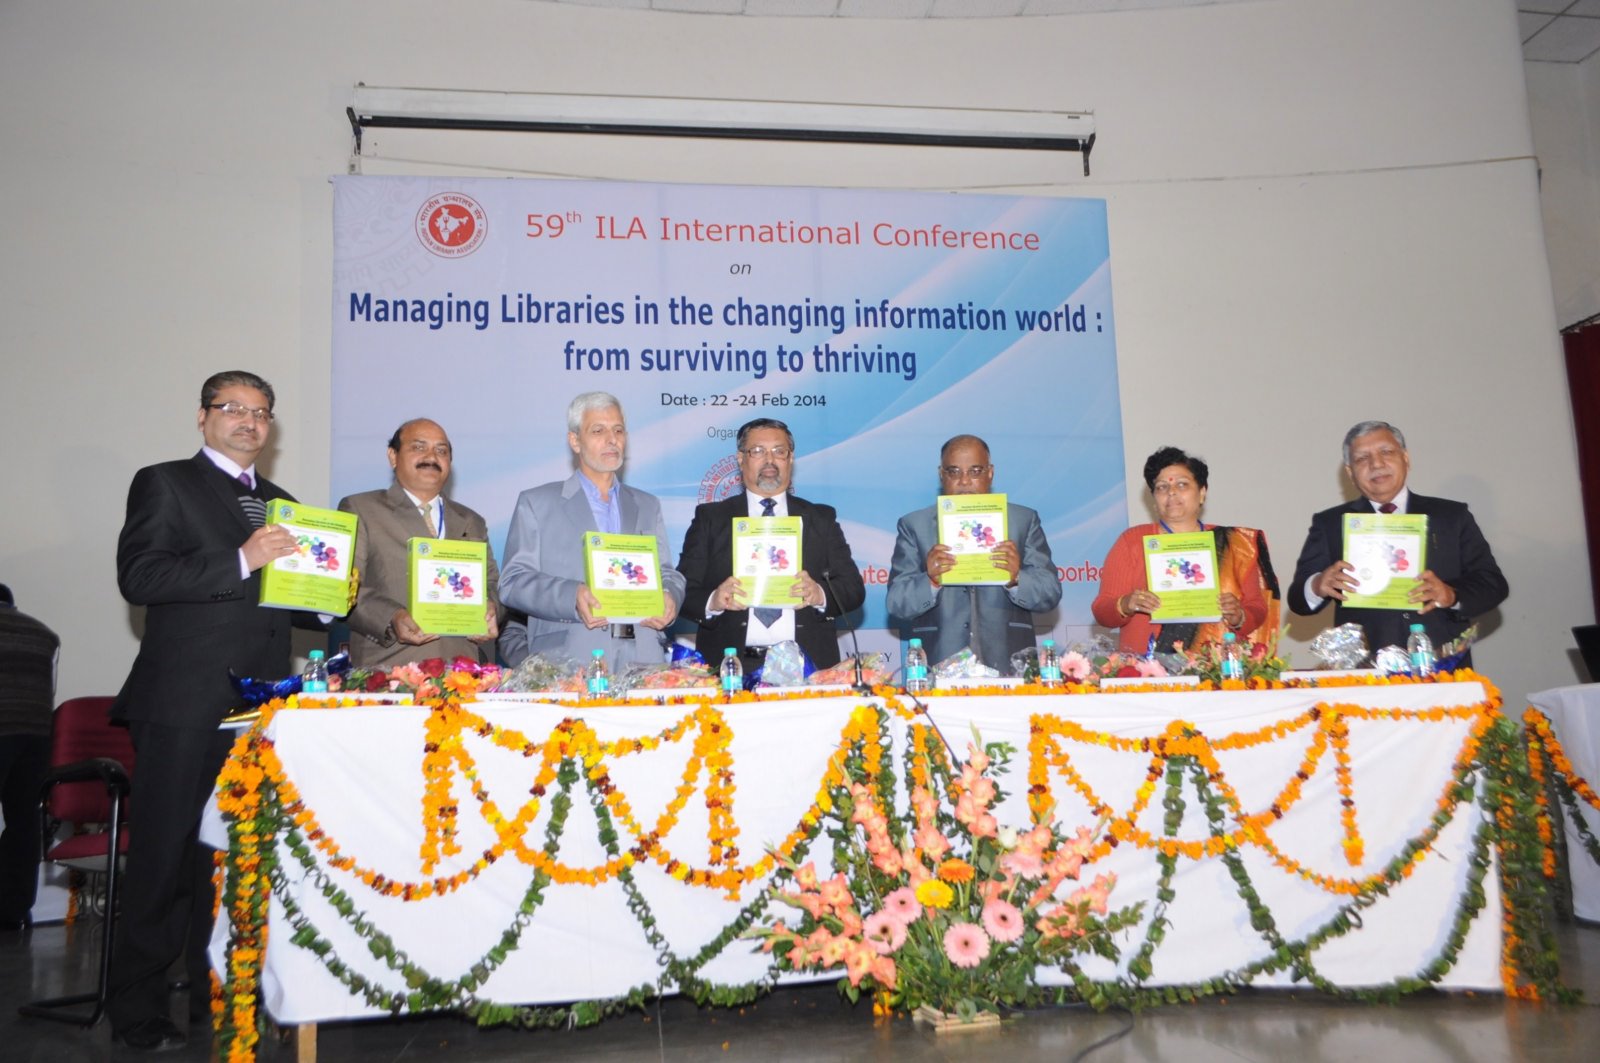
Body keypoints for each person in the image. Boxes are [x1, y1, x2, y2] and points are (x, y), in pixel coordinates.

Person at [107, 371, 306, 1052]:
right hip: (182, 703)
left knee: (225, 865)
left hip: (254, 712)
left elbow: (293, 602)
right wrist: (241, 559)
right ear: (203, 417)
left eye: (262, 412)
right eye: (234, 409)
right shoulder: (165, 483)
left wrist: (334, 590)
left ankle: (215, 1002)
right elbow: (141, 576)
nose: (250, 421)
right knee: (162, 862)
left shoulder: (283, 504)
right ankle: (137, 1013)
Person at [1288, 420, 1508, 663]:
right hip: (1365, 669)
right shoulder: (1330, 523)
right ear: (1350, 473)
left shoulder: (1452, 516)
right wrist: (1317, 585)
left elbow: (1493, 585)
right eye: (1362, 458)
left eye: (1386, 452)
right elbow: (1297, 600)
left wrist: (1451, 595)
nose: (1376, 464)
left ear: (1406, 458)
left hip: (1443, 665)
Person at [499, 393, 684, 669]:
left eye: (618, 430)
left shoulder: (647, 505)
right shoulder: (537, 503)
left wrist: (670, 595)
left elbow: (667, 573)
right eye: (598, 431)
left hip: (644, 658)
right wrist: (571, 596)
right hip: (570, 660)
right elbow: (512, 582)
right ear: (575, 441)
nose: (612, 439)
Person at [678, 418, 866, 672]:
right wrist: (714, 600)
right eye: (758, 451)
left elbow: (853, 589)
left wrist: (818, 593)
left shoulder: (820, 518)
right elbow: (683, 591)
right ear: (741, 459)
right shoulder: (711, 518)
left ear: (790, 459)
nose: (770, 460)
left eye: (779, 451)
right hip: (731, 667)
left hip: (808, 667)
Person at [886, 435, 1061, 674]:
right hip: (940, 664)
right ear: (941, 475)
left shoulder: (1022, 521)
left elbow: (1050, 593)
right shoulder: (915, 525)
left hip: (1009, 663)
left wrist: (1017, 578)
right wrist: (930, 580)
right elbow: (896, 603)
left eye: (975, 471)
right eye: (954, 472)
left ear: (990, 473)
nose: (965, 481)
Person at [338, 418, 501, 669]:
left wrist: (492, 609)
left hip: (463, 671)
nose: (431, 457)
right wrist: (392, 617)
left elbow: (493, 585)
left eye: (441, 451)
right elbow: (344, 586)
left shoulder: (471, 520)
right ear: (393, 456)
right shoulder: (361, 509)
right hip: (391, 670)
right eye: (418, 447)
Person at [1093, 446, 1278, 655]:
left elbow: (1258, 607)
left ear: (1202, 493)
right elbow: (1102, 611)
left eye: (1182, 484)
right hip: (1148, 667)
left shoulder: (1233, 544)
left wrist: (1239, 616)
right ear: (1154, 499)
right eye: (1161, 487)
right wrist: (1126, 604)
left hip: (1215, 665)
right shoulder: (1132, 541)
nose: (1171, 492)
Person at [0, 583, 59, 934]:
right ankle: (14, 911)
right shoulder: (44, 634)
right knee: (24, 824)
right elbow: (51, 688)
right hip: (36, 736)